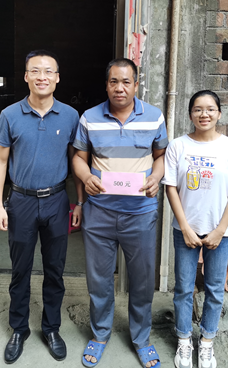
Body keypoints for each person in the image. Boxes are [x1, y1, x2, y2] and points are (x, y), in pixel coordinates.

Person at [0, 49, 85, 364]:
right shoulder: (9, 115)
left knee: (55, 270)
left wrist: (79, 202)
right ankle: (19, 329)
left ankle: (51, 328)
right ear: (26, 76)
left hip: (57, 200)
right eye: (35, 71)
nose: (41, 77)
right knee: (20, 270)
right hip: (21, 202)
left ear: (57, 78)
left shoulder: (70, 116)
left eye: (48, 71)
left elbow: (77, 160)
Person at [72, 58, 168, 368]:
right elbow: (79, 158)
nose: (119, 88)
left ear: (136, 84)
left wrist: (156, 177)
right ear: (106, 85)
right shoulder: (89, 117)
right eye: (113, 81)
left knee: (142, 280)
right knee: (99, 280)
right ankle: (100, 334)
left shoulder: (153, 117)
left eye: (126, 81)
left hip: (140, 213)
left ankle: (141, 339)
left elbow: (161, 156)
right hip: (99, 212)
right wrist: (86, 176)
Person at [163, 90, 228, 368]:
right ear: (190, 114)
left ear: (219, 113)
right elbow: (171, 188)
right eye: (198, 109)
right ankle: (183, 340)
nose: (204, 114)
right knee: (183, 288)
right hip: (185, 231)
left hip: (219, 231)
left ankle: (206, 342)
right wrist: (185, 228)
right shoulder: (177, 146)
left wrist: (220, 230)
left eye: (210, 109)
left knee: (215, 289)